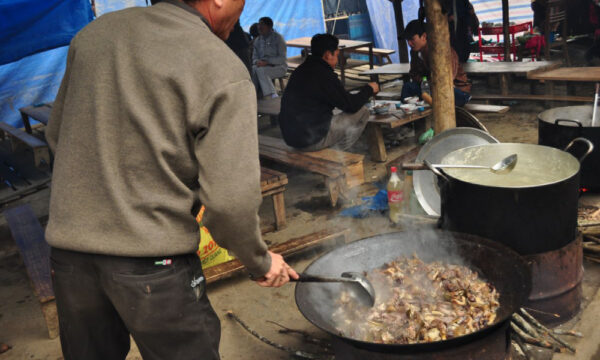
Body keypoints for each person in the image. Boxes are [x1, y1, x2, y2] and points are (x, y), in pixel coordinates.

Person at [45, 0, 298, 359]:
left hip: (70, 257)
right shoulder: (219, 64)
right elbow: (230, 202)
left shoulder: (92, 37)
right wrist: (259, 260)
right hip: (153, 264)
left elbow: (57, 137)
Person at [279, 33, 379, 151]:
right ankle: (339, 153)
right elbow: (351, 105)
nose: (337, 60)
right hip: (310, 141)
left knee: (333, 112)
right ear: (327, 55)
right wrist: (369, 89)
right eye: (336, 55)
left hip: (292, 139)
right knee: (362, 111)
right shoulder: (324, 74)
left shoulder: (301, 70)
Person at [400, 19, 472, 107]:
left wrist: (426, 82)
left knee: (443, 90)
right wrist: (425, 81)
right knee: (408, 87)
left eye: (412, 39)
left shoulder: (440, 50)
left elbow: (446, 79)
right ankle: (409, 116)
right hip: (429, 88)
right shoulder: (414, 52)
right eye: (407, 40)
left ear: (424, 36)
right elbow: (414, 73)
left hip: (455, 90)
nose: (409, 43)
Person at [251, 17, 287, 98]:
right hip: (262, 66)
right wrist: (257, 62)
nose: (259, 27)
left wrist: (267, 62)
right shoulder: (257, 40)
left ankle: (271, 95)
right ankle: (254, 94)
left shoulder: (278, 38)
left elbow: (282, 59)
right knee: (253, 69)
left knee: (261, 71)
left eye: (262, 24)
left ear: (270, 27)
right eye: (259, 24)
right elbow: (254, 57)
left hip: (279, 67)